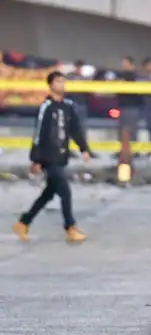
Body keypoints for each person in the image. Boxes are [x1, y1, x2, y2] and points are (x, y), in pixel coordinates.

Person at [12, 71, 91, 243]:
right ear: (51, 85)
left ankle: (24, 222)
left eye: (63, 81)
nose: (62, 84)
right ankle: (70, 227)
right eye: (58, 81)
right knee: (65, 191)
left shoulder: (69, 106)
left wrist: (84, 149)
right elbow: (38, 133)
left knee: (49, 193)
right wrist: (36, 159)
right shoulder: (46, 107)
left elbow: (75, 129)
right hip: (48, 157)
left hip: (61, 156)